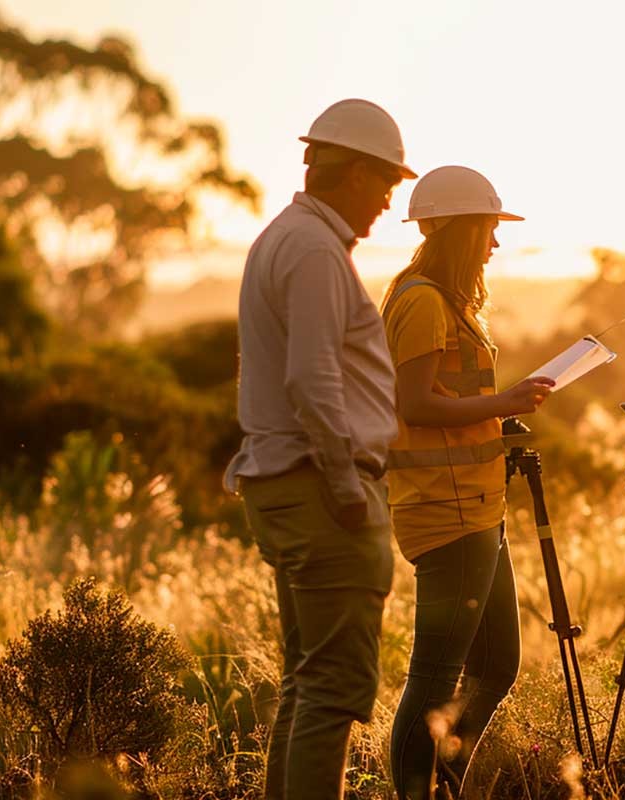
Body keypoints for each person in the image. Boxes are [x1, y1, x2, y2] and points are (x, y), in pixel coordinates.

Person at [223, 98, 415, 800]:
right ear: (356, 174)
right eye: (387, 184)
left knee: (308, 679)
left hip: (286, 480)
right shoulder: (313, 250)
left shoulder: (286, 238)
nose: (389, 201)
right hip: (320, 488)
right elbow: (310, 376)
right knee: (334, 687)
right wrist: (344, 485)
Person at [380, 165, 554, 799]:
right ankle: (412, 791)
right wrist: (502, 402)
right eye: (489, 229)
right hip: (445, 513)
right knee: (434, 676)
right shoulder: (423, 300)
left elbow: (450, 400)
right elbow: (418, 405)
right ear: (461, 230)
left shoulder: (444, 302)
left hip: (478, 507)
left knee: (495, 665)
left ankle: (442, 781)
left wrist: (501, 412)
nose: (496, 244)